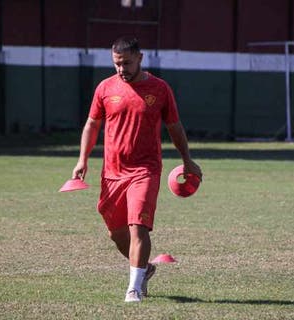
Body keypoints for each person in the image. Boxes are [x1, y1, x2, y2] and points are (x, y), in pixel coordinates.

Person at [72, 36, 202, 303]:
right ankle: (146, 270)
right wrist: (82, 159)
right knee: (116, 233)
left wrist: (187, 160)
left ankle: (134, 288)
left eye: (127, 63)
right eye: (117, 64)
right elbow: (92, 125)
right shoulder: (105, 88)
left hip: (145, 170)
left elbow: (174, 127)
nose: (122, 69)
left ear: (140, 59)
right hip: (112, 173)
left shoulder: (160, 89)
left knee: (138, 227)